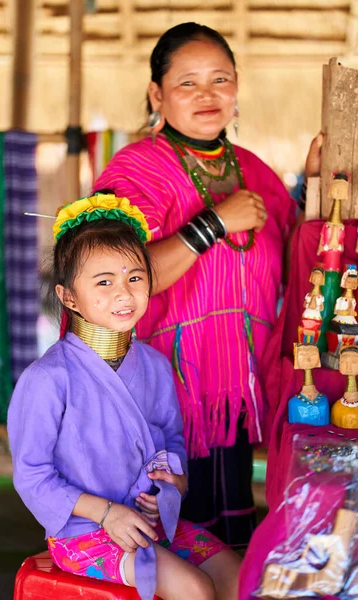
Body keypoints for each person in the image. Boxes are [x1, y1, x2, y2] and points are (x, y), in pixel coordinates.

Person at [94, 22, 323, 548]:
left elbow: (296, 262)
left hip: (233, 398)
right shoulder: (137, 168)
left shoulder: (254, 172)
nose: (207, 95)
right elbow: (115, 279)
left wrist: (313, 189)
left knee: (230, 536)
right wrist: (212, 224)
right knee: (165, 537)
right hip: (163, 396)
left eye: (220, 80)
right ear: (157, 94)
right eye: (188, 82)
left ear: (237, 88)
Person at [7, 193, 240, 600]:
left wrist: (173, 484)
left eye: (134, 278)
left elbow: (171, 441)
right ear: (68, 297)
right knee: (195, 590)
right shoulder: (47, 379)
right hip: (84, 533)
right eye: (104, 282)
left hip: (152, 521)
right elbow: (32, 477)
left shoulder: (154, 365)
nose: (124, 293)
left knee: (237, 575)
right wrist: (107, 513)